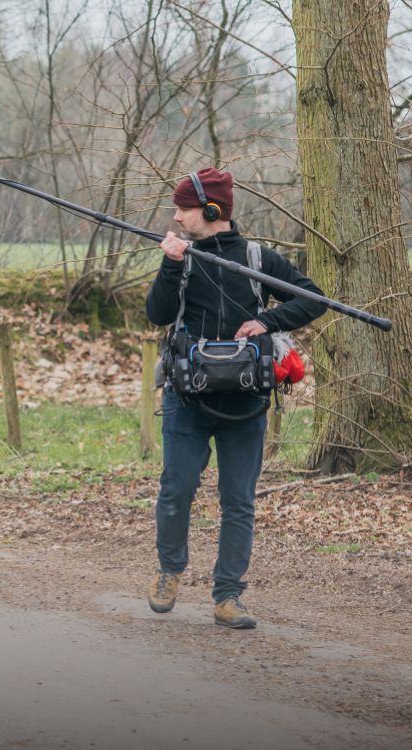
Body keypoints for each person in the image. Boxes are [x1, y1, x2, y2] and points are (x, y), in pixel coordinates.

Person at [145, 168, 326, 629]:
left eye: (183, 209)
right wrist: (169, 265)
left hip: (246, 401)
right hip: (187, 396)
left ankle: (228, 596)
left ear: (210, 211)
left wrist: (267, 322)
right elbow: (157, 315)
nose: (176, 217)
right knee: (176, 490)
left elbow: (313, 298)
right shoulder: (180, 255)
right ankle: (170, 571)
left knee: (239, 500)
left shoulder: (256, 258)